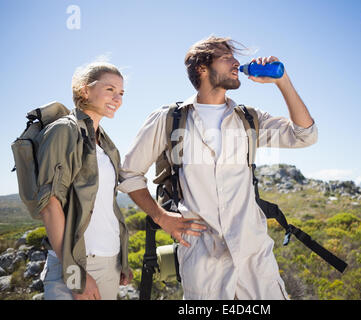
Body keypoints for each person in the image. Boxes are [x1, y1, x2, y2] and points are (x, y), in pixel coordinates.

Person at [118, 36, 317, 299]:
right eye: (227, 57)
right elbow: (130, 174)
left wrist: (282, 81)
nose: (237, 63)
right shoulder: (168, 119)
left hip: (255, 260)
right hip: (203, 264)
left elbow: (305, 135)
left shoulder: (249, 119)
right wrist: (161, 217)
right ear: (202, 68)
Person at [38, 61, 132, 300]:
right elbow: (50, 206)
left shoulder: (108, 145)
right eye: (110, 89)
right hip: (75, 265)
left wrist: (122, 259)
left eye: (121, 92)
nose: (118, 98)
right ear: (84, 90)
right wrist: (75, 275)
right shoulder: (63, 131)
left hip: (110, 262)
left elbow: (106, 207)